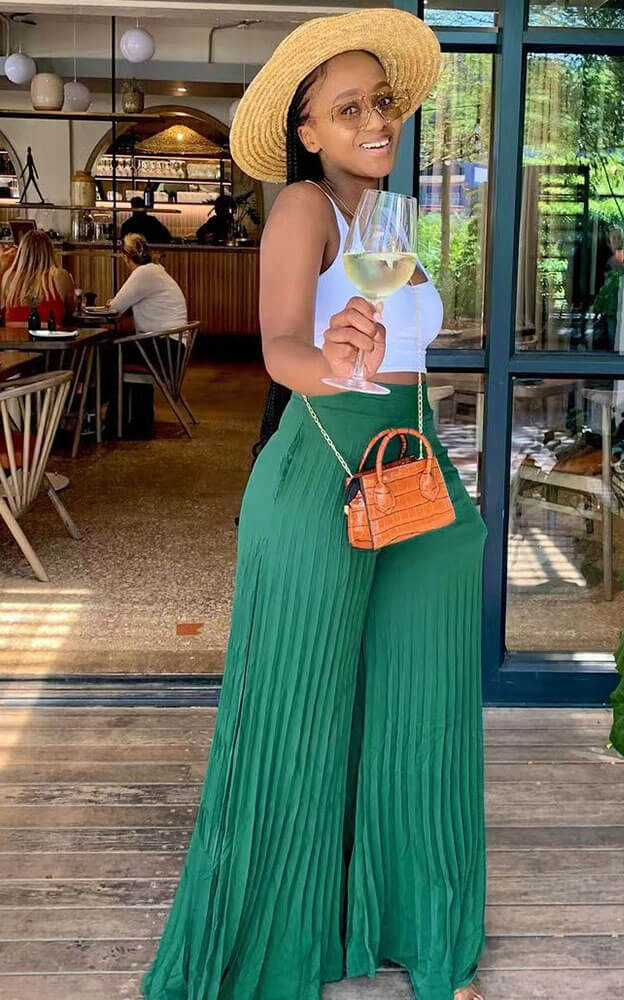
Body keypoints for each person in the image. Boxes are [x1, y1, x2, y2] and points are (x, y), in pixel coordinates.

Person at [140, 10, 487, 1000]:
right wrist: (330, 360)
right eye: (348, 109)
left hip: (409, 464)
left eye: (381, 101)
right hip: (322, 469)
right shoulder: (304, 206)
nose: (375, 121)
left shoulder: (390, 217)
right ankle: (277, 935)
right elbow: (281, 345)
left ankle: (422, 927)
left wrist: (395, 332)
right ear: (308, 131)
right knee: (299, 711)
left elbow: (407, 343)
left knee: (419, 704)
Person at [107, 233, 186, 333]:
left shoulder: (143, 272)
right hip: (174, 337)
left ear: (126, 257)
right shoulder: (155, 269)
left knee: (108, 340)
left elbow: (114, 308)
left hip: (161, 339)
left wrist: (112, 303)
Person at [0, 229, 75, 327]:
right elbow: (70, 309)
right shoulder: (60, 276)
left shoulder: (8, 276)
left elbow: (2, 311)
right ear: (49, 251)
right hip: (51, 336)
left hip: (12, 336)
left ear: (21, 252)